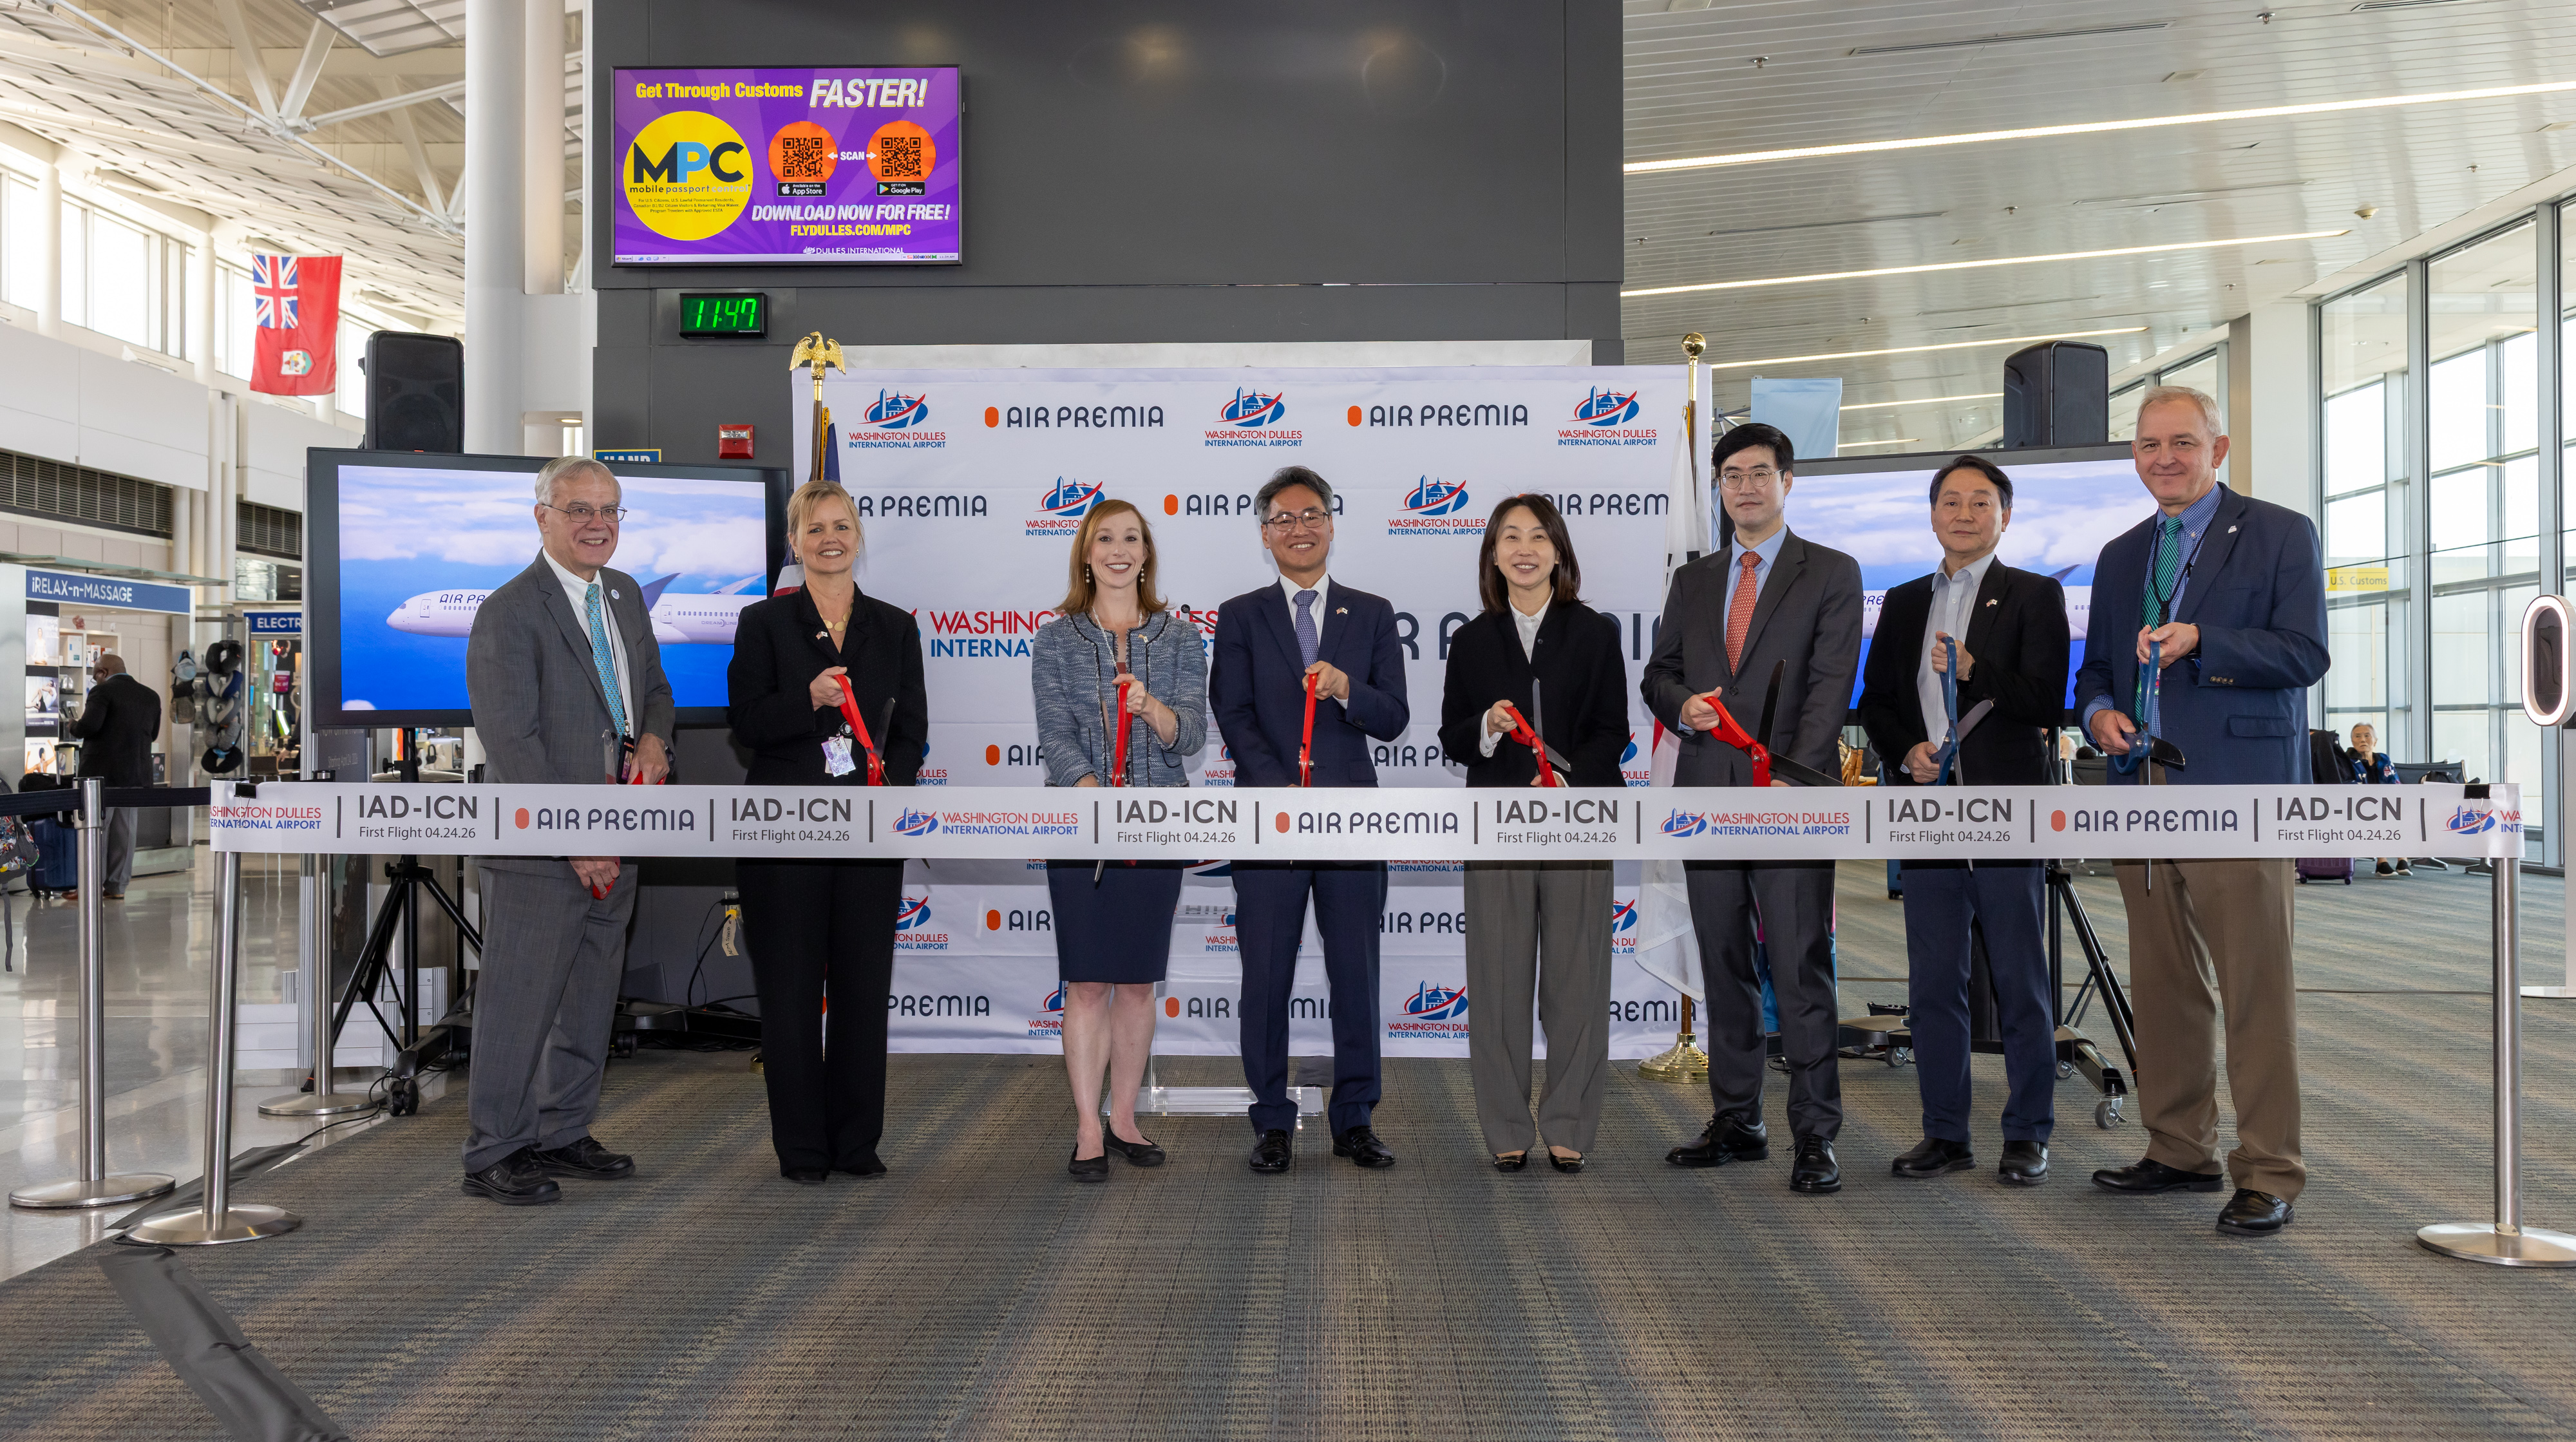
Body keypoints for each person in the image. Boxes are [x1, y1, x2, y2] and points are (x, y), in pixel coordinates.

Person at [2076, 384, 2329, 1237]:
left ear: (2217, 449)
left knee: (2255, 987)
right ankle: (2178, 1145)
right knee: (2164, 982)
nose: (2165, 459)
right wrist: (2099, 712)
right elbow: (2096, 672)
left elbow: (2305, 653)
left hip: (2238, 791)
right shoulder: (2119, 555)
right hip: (2140, 788)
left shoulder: (2280, 532)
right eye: (2149, 446)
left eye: (2183, 442)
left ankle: (2267, 1169)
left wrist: (2203, 642)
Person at [1642, 421, 1864, 1195]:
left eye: (1759, 473)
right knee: (1724, 962)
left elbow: (1829, 686)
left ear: (1787, 482)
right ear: (1718, 487)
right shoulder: (1694, 580)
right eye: (1731, 475)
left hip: (1787, 796)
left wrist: (1790, 776)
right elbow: (1658, 675)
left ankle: (1815, 1133)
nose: (1744, 487)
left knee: (1799, 966)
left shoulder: (1831, 572)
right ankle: (1738, 1118)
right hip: (1705, 795)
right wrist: (1684, 707)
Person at [462, 456, 674, 1206]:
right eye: (579, 509)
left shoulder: (620, 594)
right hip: (541, 845)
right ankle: (495, 1149)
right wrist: (572, 834)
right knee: (520, 1003)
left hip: (620, 829)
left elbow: (652, 690)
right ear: (543, 517)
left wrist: (655, 740)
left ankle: (564, 1131)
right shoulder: (509, 610)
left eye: (610, 511)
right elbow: (513, 739)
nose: (597, 524)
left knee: (590, 996)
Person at [1855, 455, 2070, 1186]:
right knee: (1933, 983)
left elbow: (2045, 699)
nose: (1964, 513)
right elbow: (1877, 699)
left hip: (2007, 810)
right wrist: (1902, 750)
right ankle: (1944, 1132)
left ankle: (2027, 1132)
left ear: (2003, 516)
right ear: (1932, 513)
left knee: (2019, 979)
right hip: (1926, 810)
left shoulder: (2035, 595)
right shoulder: (1905, 600)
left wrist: (1979, 669)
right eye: (1951, 500)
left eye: (1981, 502)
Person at [1209, 465, 1410, 1175]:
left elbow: (1393, 717)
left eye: (1312, 515)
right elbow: (1231, 712)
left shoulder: (1373, 611)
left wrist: (1348, 688)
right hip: (1268, 821)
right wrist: (1281, 791)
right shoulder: (1239, 615)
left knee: (1355, 972)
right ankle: (1270, 1121)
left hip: (1353, 820)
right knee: (1265, 977)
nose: (1299, 528)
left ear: (1331, 523)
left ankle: (1354, 1118)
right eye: (1284, 519)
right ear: (1265, 533)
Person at [727, 479, 928, 1184]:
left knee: (862, 993)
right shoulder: (762, 624)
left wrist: (884, 794)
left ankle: (856, 1143)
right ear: (795, 542)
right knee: (787, 996)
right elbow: (747, 725)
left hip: (870, 837)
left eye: (841, 526)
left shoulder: (896, 626)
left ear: (858, 536)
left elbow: (912, 734)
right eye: (814, 529)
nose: (830, 538)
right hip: (784, 835)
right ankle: (803, 1150)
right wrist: (807, 703)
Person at [1437, 495, 1627, 1173]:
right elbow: (1451, 735)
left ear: (1558, 551)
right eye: (1510, 537)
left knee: (1577, 982)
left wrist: (1571, 786)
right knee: (1496, 982)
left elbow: (1614, 732)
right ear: (1492, 553)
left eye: (1538, 537)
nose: (1525, 548)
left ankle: (1570, 1118)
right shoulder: (1471, 639)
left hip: (1577, 822)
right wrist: (1487, 729)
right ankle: (1506, 1125)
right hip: (1495, 826)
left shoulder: (1595, 632)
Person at [1031, 498, 1207, 1182]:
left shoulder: (1181, 638)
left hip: (1158, 828)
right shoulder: (1056, 638)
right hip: (1080, 827)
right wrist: (1092, 801)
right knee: (1085, 983)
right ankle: (1086, 1127)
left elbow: (1191, 736)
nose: (1118, 549)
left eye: (1131, 538)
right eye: (1104, 538)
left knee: (1136, 984)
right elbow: (1054, 736)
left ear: (1146, 553)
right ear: (1085, 551)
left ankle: (1125, 1117)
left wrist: (1154, 710)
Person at [65, 652, 160, 902]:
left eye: (96, 673)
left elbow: (90, 727)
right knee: (125, 831)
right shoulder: (151, 696)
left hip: (101, 777)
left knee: (96, 830)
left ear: (103, 672)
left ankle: (90, 886)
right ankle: (117, 887)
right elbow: (154, 733)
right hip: (136, 774)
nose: (95, 678)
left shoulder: (103, 692)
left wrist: (73, 725)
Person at [2347, 723, 2406, 876]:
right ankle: (2382, 862)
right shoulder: (2348, 761)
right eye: (2358, 736)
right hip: (2360, 806)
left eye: (2367, 736)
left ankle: (2402, 859)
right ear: (2352, 741)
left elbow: (2395, 783)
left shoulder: (2384, 759)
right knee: (2380, 814)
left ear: (2375, 740)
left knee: (2401, 810)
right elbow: (2349, 786)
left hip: (2385, 802)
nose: (2363, 740)